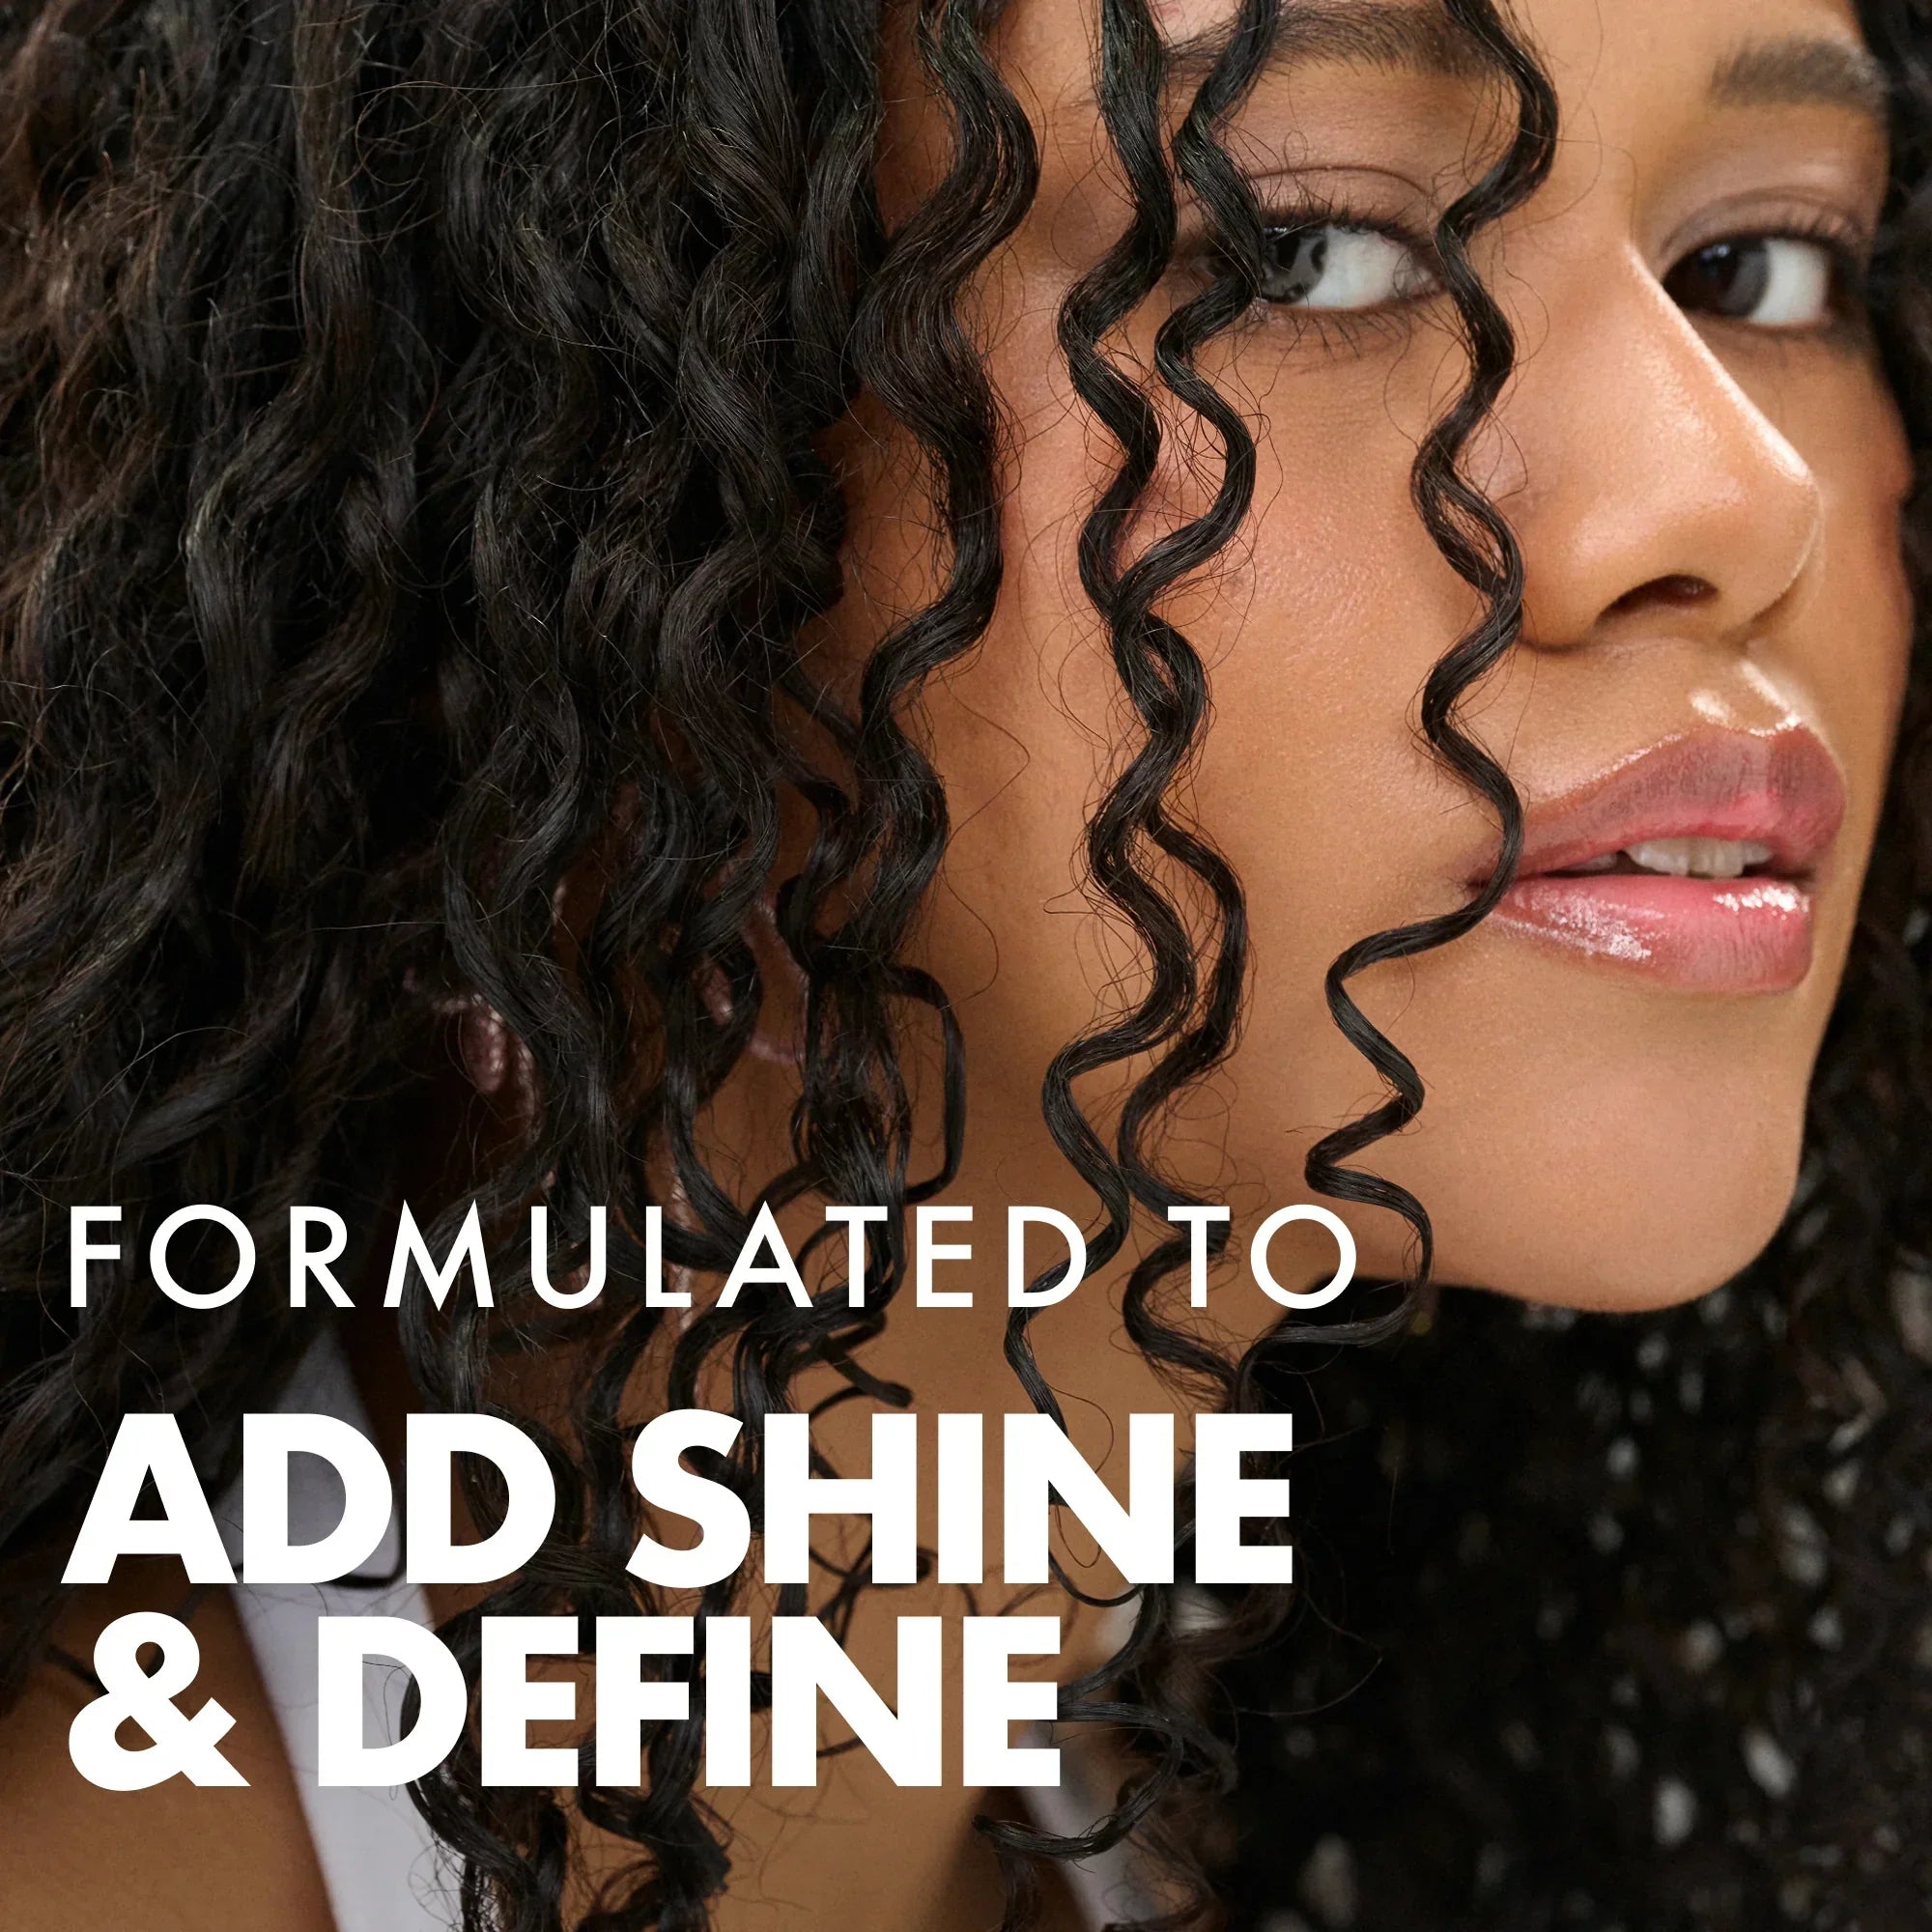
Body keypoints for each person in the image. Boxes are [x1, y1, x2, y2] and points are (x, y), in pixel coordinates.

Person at [0, 0, 1925, 1926]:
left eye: (1759, 266)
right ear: (590, 444)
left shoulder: (1241, 1805)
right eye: (1302, 247)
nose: (1736, 494)